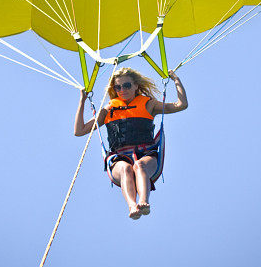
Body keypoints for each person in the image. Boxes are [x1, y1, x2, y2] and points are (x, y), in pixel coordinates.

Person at [74, 67, 187, 219]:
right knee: (127, 168)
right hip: (118, 158)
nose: (122, 90)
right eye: (118, 87)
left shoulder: (149, 104)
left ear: (135, 86)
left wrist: (176, 81)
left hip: (146, 154)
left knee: (139, 165)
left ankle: (143, 202)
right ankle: (132, 206)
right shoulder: (108, 109)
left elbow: (181, 105)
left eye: (126, 85)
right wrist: (82, 100)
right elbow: (79, 131)